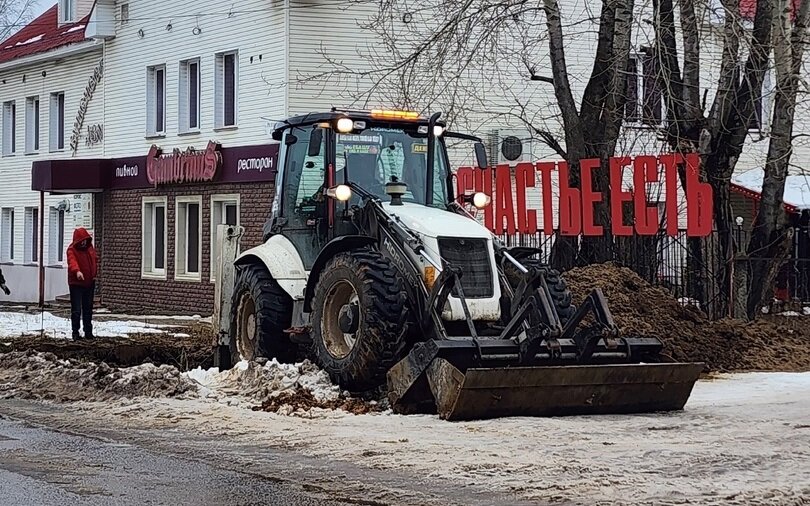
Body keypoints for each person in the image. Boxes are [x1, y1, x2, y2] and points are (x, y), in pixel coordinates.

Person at [67, 227, 98, 340]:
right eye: (82, 240)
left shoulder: (89, 248)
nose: (84, 242)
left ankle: (88, 332)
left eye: (85, 240)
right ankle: (75, 333)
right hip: (76, 284)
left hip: (89, 282)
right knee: (76, 310)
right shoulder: (72, 250)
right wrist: (77, 272)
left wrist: (94, 273)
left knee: (88, 308)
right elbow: (72, 262)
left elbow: (94, 260)